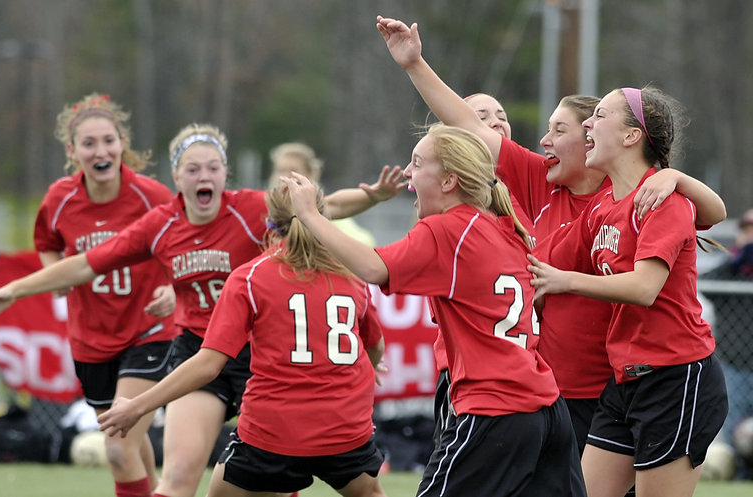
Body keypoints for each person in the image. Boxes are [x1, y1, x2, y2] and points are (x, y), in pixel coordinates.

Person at [0, 122, 403, 497]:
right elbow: (85, 264)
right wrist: (15, 290)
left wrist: (373, 197)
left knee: (272, 472)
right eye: (192, 169)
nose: (203, 176)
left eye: (212, 167)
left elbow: (321, 208)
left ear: (225, 173)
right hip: (201, 352)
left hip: (262, 356)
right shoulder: (161, 224)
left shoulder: (250, 209)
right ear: (176, 176)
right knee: (177, 477)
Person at [376, 15, 728, 456]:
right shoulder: (550, 186)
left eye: (561, 130)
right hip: (553, 386)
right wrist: (414, 64)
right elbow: (468, 129)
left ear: (603, 138)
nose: (544, 140)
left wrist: (675, 176)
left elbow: (705, 219)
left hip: (625, 379)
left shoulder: (631, 195)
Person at [284, 123, 586, 496]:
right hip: (547, 410)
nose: (408, 172)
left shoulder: (450, 229)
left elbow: (374, 268)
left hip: (496, 409)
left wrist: (311, 216)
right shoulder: (503, 225)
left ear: (448, 181)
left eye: (417, 163)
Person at [97, 182, 387, 497]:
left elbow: (208, 364)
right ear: (323, 218)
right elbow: (374, 347)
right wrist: (359, 374)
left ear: (269, 225)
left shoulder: (250, 277)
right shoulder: (351, 274)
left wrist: (137, 406)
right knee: (370, 493)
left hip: (273, 436)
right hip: (344, 431)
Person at [527, 86, 728, 496]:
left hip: (675, 377)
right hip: (626, 379)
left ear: (631, 136)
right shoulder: (602, 208)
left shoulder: (663, 200)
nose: (588, 122)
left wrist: (565, 280)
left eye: (600, 115)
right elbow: (542, 262)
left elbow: (643, 287)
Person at [0, 92, 180, 497]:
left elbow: (186, 244)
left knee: (118, 446)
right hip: (92, 338)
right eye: (89, 143)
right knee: (130, 441)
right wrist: (55, 270)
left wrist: (173, 289)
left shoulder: (152, 196)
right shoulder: (60, 199)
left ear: (122, 143)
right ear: (72, 151)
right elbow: (46, 241)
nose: (100, 150)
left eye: (108, 140)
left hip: (149, 333)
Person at [700, 208, 753, 478]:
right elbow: (705, 283)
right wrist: (737, 259)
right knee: (734, 433)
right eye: (747, 231)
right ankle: (738, 478)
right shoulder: (731, 270)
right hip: (735, 366)